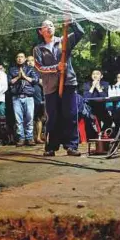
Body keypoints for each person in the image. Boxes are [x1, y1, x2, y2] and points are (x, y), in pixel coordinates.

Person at [33, 20, 84, 156]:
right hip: (50, 87)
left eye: (51, 25)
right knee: (53, 117)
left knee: (70, 114)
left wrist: (72, 22)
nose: (49, 28)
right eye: (45, 26)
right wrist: (56, 68)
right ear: (40, 31)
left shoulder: (64, 41)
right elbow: (39, 68)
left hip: (67, 82)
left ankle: (72, 145)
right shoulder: (38, 49)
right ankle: (51, 147)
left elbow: (80, 33)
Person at [8, 53, 39, 146]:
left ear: (25, 59)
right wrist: (18, 77)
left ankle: (29, 138)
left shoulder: (30, 69)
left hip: (28, 97)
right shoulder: (12, 70)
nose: (19, 59)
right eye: (17, 57)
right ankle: (21, 138)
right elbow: (9, 82)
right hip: (16, 97)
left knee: (29, 118)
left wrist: (24, 77)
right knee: (18, 119)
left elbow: (35, 80)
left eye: (21, 57)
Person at [82, 70, 113, 138]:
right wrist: (93, 86)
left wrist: (98, 87)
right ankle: (94, 135)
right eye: (93, 74)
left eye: (97, 74)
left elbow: (105, 96)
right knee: (91, 121)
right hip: (91, 108)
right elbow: (86, 97)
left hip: (102, 107)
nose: (95, 75)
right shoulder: (87, 84)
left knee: (109, 121)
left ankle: (101, 133)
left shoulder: (105, 84)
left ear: (101, 76)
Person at [26, 55, 45, 144]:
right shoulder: (24, 71)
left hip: (38, 97)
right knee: (28, 118)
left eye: (32, 60)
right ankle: (30, 138)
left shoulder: (39, 71)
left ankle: (38, 137)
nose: (30, 62)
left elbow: (44, 83)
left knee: (38, 118)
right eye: (28, 60)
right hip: (27, 96)